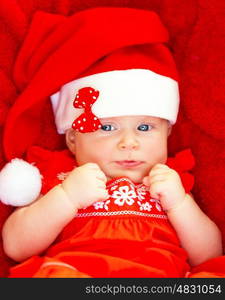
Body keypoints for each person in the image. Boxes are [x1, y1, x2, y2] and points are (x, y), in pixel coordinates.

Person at [1, 7, 222, 278]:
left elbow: (209, 254)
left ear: (166, 134)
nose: (129, 142)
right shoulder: (59, 177)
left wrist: (179, 204)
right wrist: (67, 197)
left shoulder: (170, 184)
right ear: (72, 139)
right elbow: (15, 246)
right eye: (107, 127)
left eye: (144, 127)